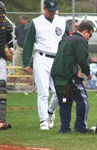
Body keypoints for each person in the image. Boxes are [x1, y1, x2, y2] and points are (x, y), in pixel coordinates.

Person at [22, 0, 70, 130]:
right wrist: (26, 62)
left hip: (58, 59)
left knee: (59, 91)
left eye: (54, 10)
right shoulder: (35, 22)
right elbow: (28, 43)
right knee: (43, 91)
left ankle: (50, 112)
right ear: (44, 8)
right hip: (41, 57)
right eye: (50, 10)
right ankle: (43, 120)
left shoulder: (61, 21)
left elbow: (68, 39)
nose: (53, 12)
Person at [51, 22, 94, 133]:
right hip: (69, 76)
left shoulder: (65, 39)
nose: (89, 38)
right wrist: (88, 73)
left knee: (65, 101)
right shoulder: (80, 41)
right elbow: (82, 59)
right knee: (82, 100)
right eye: (90, 35)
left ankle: (64, 128)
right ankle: (81, 128)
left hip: (56, 75)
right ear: (85, 32)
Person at [0, 0, 13, 130]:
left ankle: (1, 121)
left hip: (0, 61)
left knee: (1, 91)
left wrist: (10, 50)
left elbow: (10, 41)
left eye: (2, 15)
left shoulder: (5, 26)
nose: (1, 17)